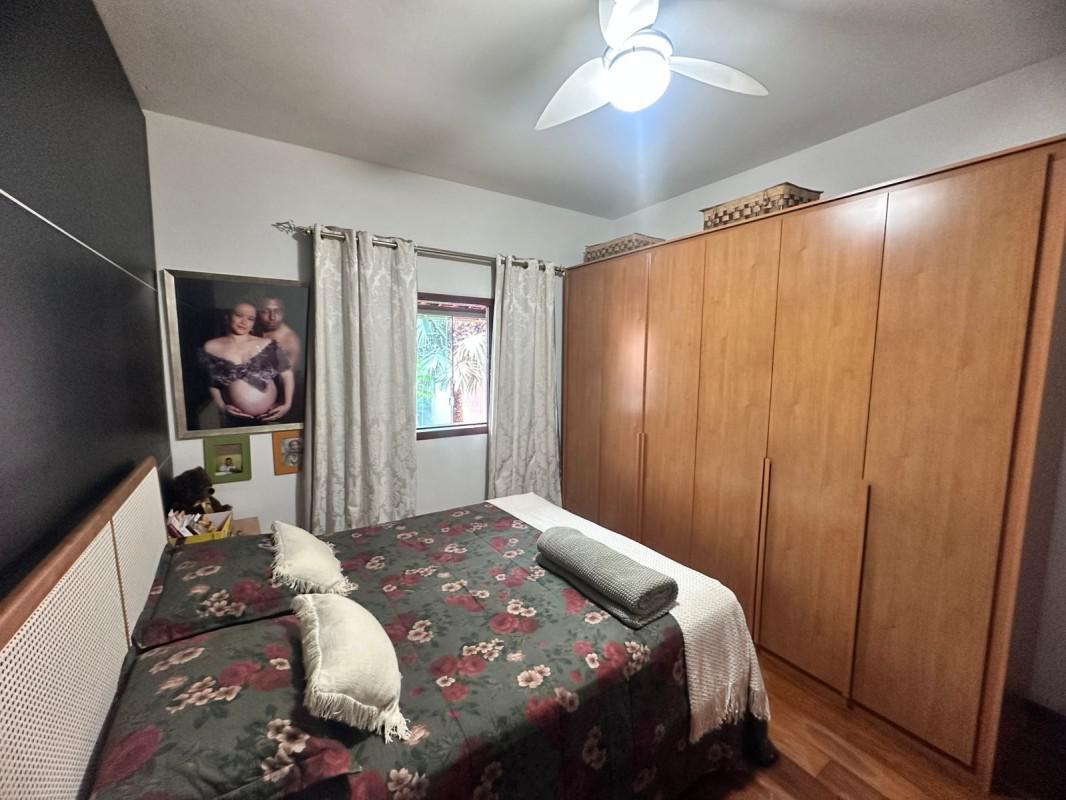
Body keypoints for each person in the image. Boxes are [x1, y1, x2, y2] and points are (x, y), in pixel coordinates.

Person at [199, 301, 294, 423]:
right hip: (235, 419)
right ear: (227, 317)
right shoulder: (211, 347)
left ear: (254, 323)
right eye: (239, 315)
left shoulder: (268, 344)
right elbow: (211, 382)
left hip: (271, 415)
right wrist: (222, 407)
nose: (244, 322)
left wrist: (287, 405)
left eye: (250, 318)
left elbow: (287, 375)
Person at [258, 296, 302, 371]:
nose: (272, 317)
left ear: (283, 313)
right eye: (266, 311)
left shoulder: (290, 340)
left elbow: (288, 375)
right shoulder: (253, 327)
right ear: (259, 312)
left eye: (277, 311)